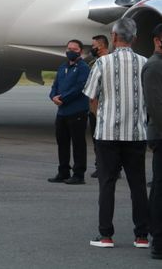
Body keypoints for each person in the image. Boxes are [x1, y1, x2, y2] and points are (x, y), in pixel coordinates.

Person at [84, 18, 149, 248]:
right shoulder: (145, 63)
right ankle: (142, 235)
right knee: (138, 185)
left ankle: (106, 235)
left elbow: (91, 97)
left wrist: (101, 114)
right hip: (136, 133)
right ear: (135, 38)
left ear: (113, 37)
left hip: (107, 133)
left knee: (107, 184)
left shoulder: (102, 63)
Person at [47, 39, 90, 185]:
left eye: (74, 49)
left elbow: (79, 87)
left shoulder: (83, 68)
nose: (71, 51)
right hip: (62, 112)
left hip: (77, 111)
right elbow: (55, 85)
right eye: (69, 48)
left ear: (80, 51)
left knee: (78, 144)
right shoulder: (62, 67)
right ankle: (63, 171)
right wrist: (53, 96)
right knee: (62, 143)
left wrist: (63, 98)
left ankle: (79, 173)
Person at [143, 24, 162, 259]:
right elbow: (156, 107)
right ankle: (158, 240)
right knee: (160, 188)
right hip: (160, 135)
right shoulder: (154, 67)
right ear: (158, 40)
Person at [88, 34, 110, 179]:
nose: (92, 48)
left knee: (105, 142)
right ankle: (100, 165)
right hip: (93, 108)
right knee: (97, 141)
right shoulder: (93, 63)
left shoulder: (106, 62)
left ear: (101, 46)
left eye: (94, 45)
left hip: (103, 108)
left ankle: (108, 167)